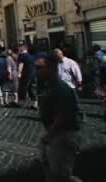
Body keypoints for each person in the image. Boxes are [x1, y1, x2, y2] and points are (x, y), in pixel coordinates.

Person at [36, 53, 81, 182]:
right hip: (51, 132)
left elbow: (63, 115)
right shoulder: (48, 86)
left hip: (61, 134)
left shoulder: (62, 88)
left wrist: (49, 134)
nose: (37, 71)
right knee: (50, 170)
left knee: (61, 175)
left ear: (51, 68)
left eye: (40, 68)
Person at [18, 45, 38, 110]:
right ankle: (35, 103)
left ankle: (22, 103)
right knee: (32, 88)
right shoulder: (32, 56)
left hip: (25, 74)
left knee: (23, 88)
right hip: (33, 74)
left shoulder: (21, 56)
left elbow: (21, 64)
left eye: (19, 50)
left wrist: (19, 73)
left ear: (22, 50)